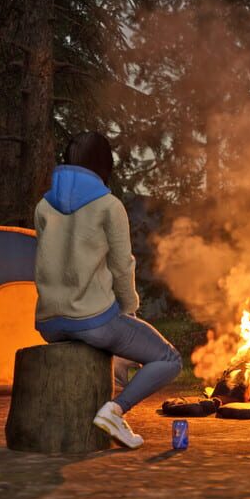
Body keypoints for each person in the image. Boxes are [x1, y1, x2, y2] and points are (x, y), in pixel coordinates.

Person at [34, 131, 181, 448]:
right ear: (104, 165)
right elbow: (122, 265)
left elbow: (48, 260)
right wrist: (129, 311)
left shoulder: (43, 206)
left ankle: (110, 378)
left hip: (49, 324)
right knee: (168, 358)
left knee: (113, 337)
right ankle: (114, 411)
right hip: (93, 321)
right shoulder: (108, 206)